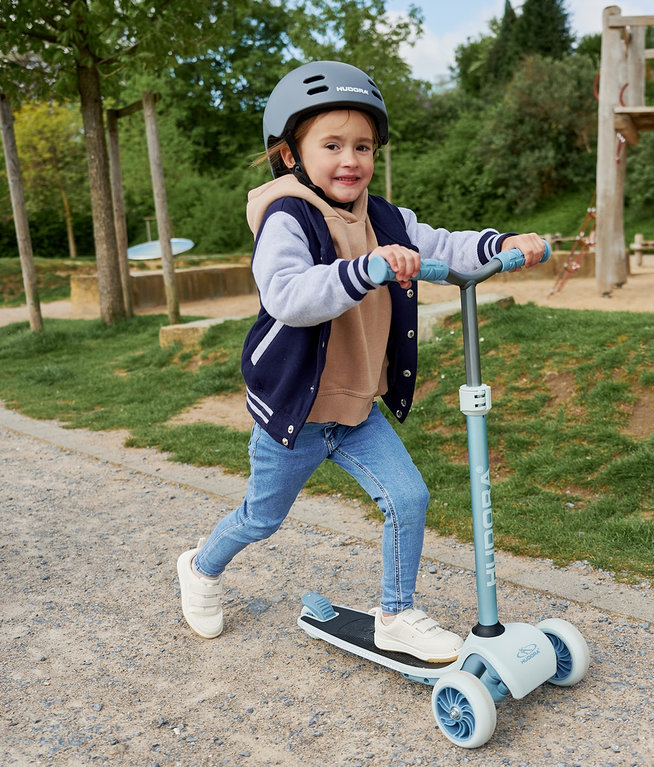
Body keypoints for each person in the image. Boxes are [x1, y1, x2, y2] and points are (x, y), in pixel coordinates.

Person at [177, 61, 546, 662]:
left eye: (363, 146)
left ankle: (396, 614)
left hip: (356, 410)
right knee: (261, 517)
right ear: (291, 155)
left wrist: (500, 245)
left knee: (410, 497)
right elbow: (289, 296)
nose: (350, 159)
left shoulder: (386, 220)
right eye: (332, 145)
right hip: (297, 411)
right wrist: (364, 270)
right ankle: (199, 567)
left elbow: (447, 248)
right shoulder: (286, 216)